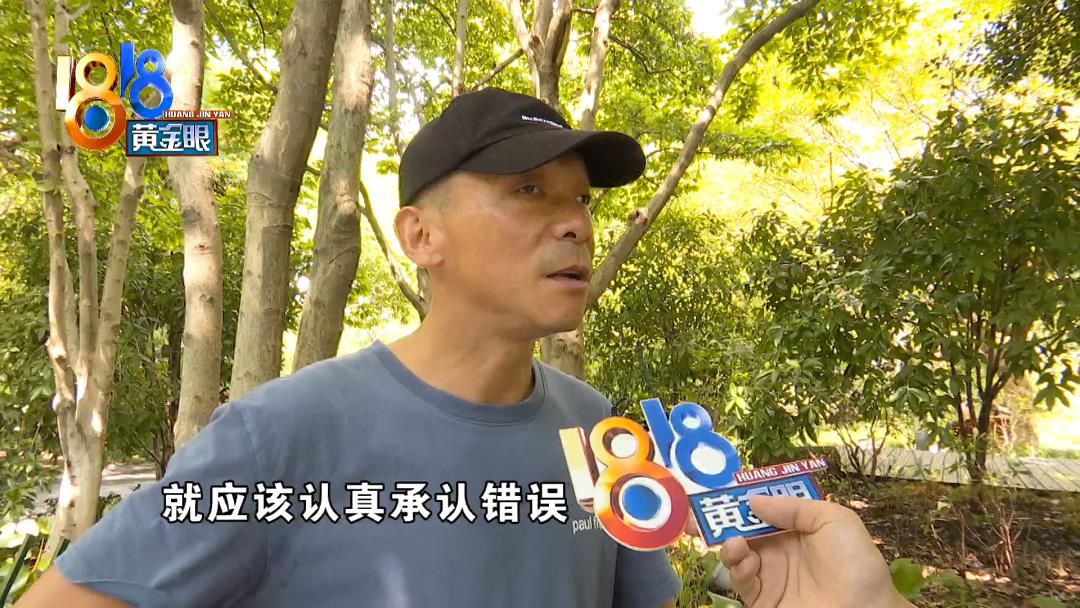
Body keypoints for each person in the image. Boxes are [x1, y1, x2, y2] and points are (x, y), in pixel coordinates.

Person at [16, 87, 913, 608]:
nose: (574, 222)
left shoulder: (597, 429)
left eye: (582, 199)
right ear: (421, 236)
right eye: (528, 190)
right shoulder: (280, 434)